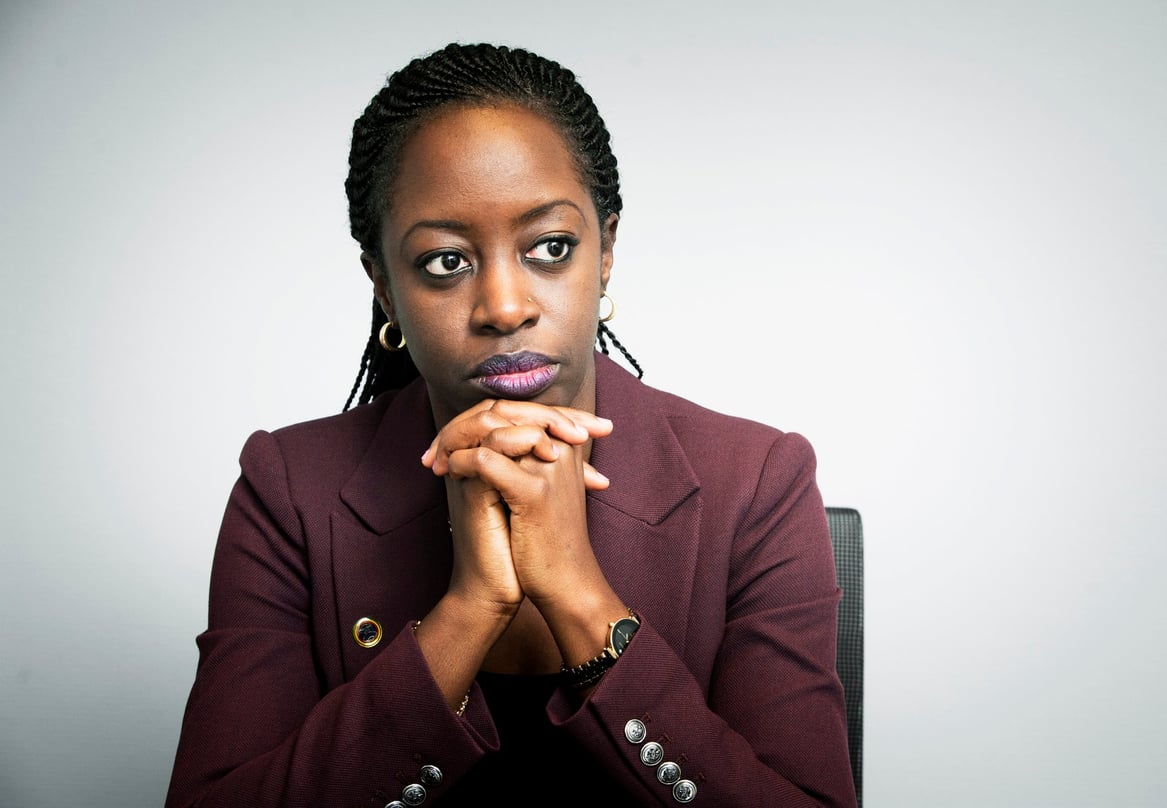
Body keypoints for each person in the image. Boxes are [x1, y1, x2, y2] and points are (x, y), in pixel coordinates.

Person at [166, 42, 856, 807]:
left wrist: (578, 596)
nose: (503, 306)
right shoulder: (290, 489)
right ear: (384, 289)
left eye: (550, 248)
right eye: (444, 262)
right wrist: (466, 611)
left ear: (605, 254)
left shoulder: (754, 479)